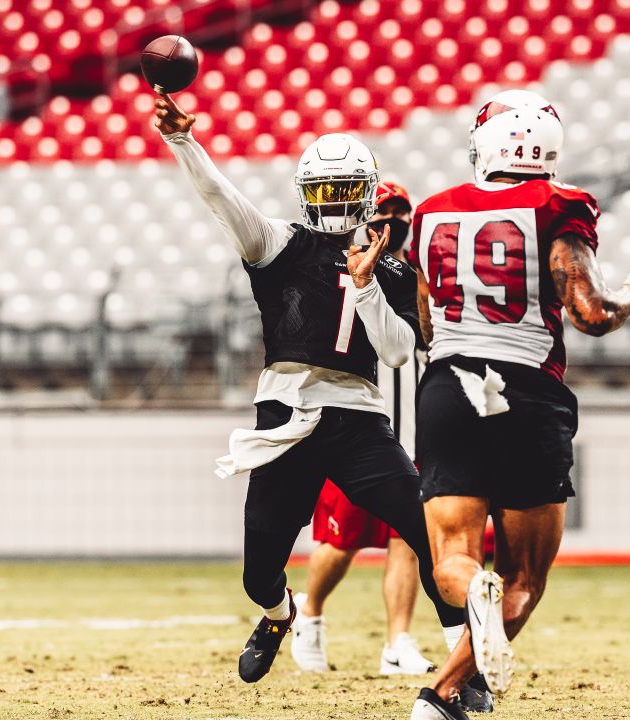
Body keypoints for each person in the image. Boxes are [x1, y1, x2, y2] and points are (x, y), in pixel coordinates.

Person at [151, 92, 467, 686]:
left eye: (345, 188)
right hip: (285, 417)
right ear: (305, 194)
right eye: (324, 190)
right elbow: (221, 197)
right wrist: (182, 141)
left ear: (366, 192)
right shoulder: (280, 244)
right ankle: (279, 615)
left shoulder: (392, 271)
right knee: (257, 573)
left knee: (427, 533)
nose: (335, 201)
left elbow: (399, 352)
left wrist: (367, 284)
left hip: (358, 421)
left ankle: (462, 662)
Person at [403, 89, 630, 720]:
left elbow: (425, 327)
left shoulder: (432, 212)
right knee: (522, 579)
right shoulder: (558, 205)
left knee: (452, 564)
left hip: (449, 385)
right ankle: (441, 696)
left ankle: (458, 673)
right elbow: (591, 313)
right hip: (527, 390)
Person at [290, 182, 438, 677]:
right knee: (341, 540)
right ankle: (308, 613)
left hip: (411, 423)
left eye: (402, 212)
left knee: (408, 537)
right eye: (385, 211)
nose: (393, 220)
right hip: (358, 422)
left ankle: (398, 640)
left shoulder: (418, 275)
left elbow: (428, 337)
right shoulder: (337, 265)